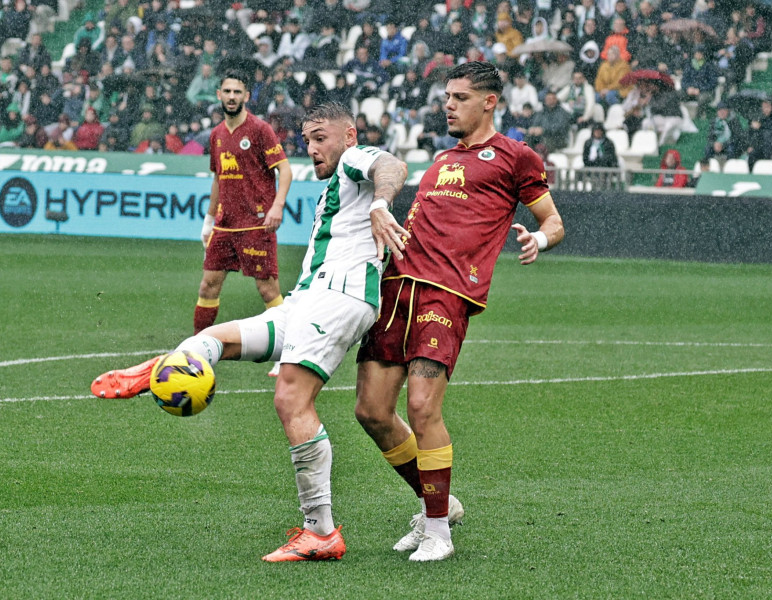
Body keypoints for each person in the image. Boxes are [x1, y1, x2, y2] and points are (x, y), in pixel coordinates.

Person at [89, 101, 411, 562]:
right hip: (306, 301)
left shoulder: (357, 163)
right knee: (212, 339)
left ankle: (319, 532)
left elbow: (391, 165)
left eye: (322, 138)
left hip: (342, 298)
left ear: (350, 136)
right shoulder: (335, 187)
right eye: (308, 140)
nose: (313, 149)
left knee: (290, 397)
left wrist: (381, 203)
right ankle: (164, 368)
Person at [354, 61, 565, 562]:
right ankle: (441, 506)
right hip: (397, 286)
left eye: (459, 97)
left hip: (446, 293)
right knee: (371, 412)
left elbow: (553, 219)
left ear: (490, 101)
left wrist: (538, 237)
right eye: (446, 96)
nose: (448, 104)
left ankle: (437, 533)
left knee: (423, 408)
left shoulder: (516, 157)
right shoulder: (443, 157)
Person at [195, 69, 293, 335]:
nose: (231, 96)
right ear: (218, 95)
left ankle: (288, 352)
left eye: (237, 92)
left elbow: (285, 170)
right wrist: (208, 221)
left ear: (246, 96)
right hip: (225, 225)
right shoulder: (216, 134)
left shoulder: (260, 130)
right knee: (208, 285)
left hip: (256, 223)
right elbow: (218, 179)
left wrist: (277, 206)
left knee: (267, 289)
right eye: (227, 91)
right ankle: (195, 352)